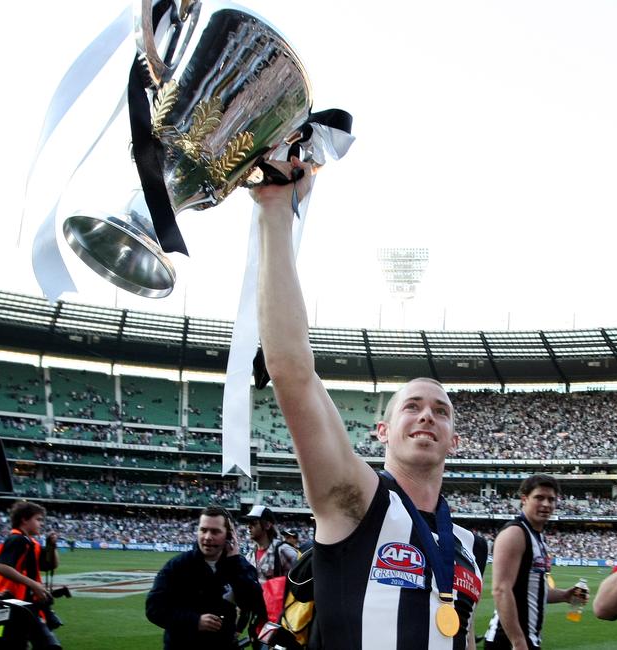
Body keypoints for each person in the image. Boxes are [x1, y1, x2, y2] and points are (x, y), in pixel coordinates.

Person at [252, 159, 488, 649]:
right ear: (382, 431)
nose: (427, 415)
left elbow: (458, 635)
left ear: (454, 441)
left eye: (441, 412)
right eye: (412, 406)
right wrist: (275, 212)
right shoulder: (356, 499)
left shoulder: (469, 545)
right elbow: (292, 372)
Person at [485, 474, 588, 649]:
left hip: (528, 639)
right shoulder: (515, 534)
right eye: (539, 497)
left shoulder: (537, 537)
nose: (546, 504)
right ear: (524, 499)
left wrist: (564, 595)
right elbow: (501, 590)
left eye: (551, 499)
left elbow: (533, 590)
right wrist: (518, 642)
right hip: (509, 641)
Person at [146, 505, 266, 649]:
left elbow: (256, 604)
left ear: (228, 535)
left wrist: (234, 565)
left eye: (215, 531)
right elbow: (154, 608)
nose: (208, 537)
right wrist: (195, 621)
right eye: (203, 530)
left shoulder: (240, 566)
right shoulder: (178, 566)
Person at [0, 501, 63, 648]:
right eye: (38, 519)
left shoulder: (31, 543)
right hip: (11, 604)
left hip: (27, 605)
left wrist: (51, 546)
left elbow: (50, 565)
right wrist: (33, 584)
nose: (41, 523)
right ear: (24, 519)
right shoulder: (17, 539)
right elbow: (0, 566)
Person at [242, 505, 298, 584]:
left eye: (253, 523)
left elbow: (299, 578)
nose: (249, 526)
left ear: (267, 525)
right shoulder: (249, 556)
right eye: (248, 523)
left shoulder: (282, 550)